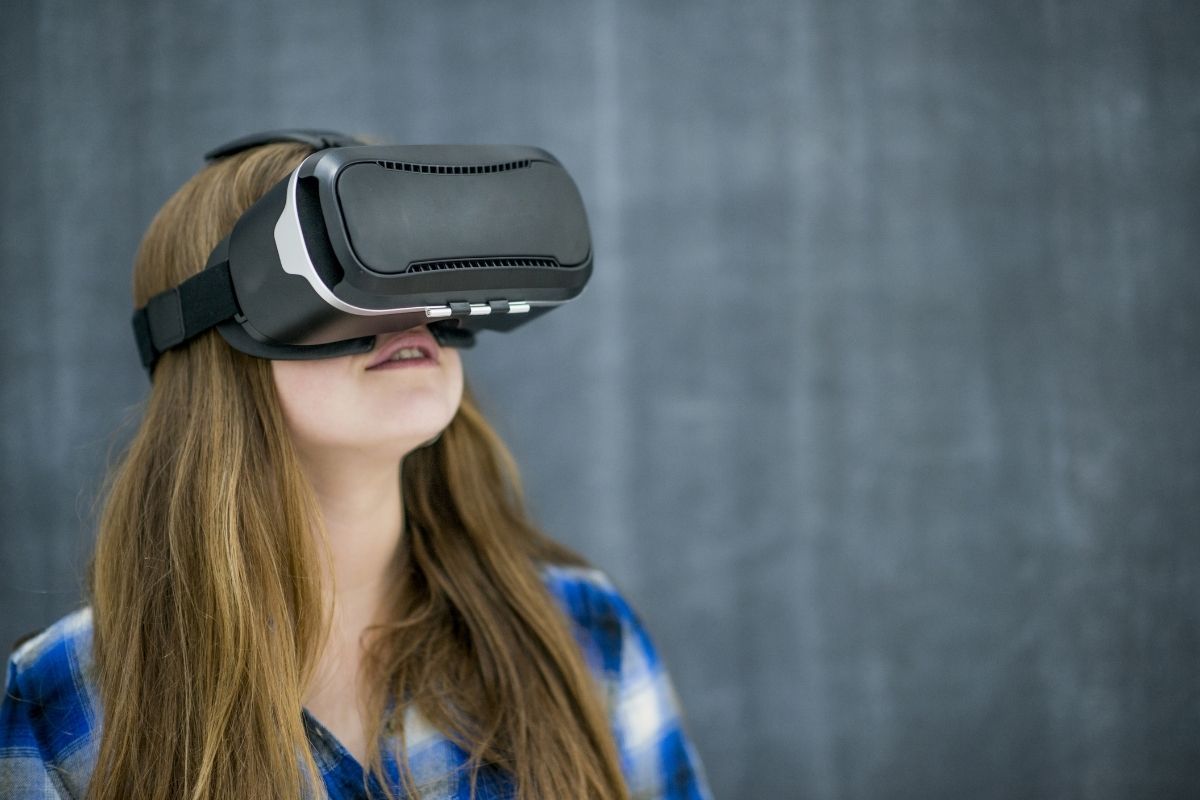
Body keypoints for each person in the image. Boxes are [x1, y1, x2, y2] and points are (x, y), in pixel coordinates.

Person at [0, 141, 712, 799]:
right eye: (339, 274)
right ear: (214, 329)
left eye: (411, 262)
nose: (407, 309)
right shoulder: (63, 695)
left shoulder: (586, 635)